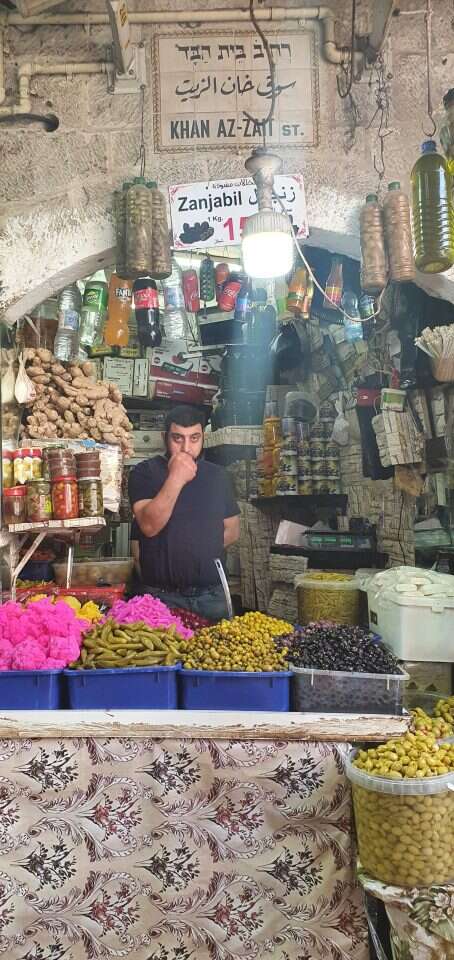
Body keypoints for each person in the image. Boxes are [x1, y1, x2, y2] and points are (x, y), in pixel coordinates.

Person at [128, 404, 240, 620]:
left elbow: (232, 531)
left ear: (203, 438)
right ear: (165, 437)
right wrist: (176, 477)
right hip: (162, 596)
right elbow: (149, 527)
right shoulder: (144, 473)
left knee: (219, 652)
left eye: (194, 438)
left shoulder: (218, 476)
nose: (187, 447)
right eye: (178, 438)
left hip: (211, 595)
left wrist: (194, 550)